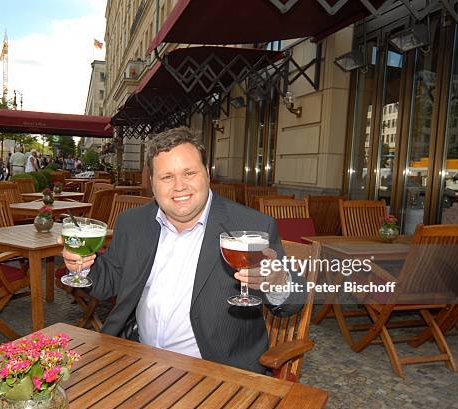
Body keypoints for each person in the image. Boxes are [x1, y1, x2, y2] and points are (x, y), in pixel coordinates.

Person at [60, 127, 301, 374]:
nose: (179, 186)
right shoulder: (132, 223)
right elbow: (108, 282)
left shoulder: (251, 226)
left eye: (189, 173)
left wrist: (277, 280)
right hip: (137, 358)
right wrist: (84, 264)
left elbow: (292, 303)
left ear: (207, 174)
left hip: (218, 372)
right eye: (166, 177)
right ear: (152, 184)